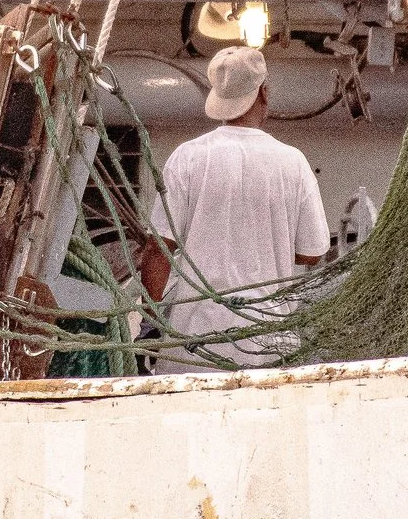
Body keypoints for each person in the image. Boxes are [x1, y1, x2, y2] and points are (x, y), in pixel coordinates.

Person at [138, 45, 330, 367]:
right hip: (268, 343)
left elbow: (158, 250)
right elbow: (313, 253)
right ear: (264, 94)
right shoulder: (292, 162)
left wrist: (150, 323)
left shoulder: (187, 157)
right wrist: (271, 241)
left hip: (193, 345)